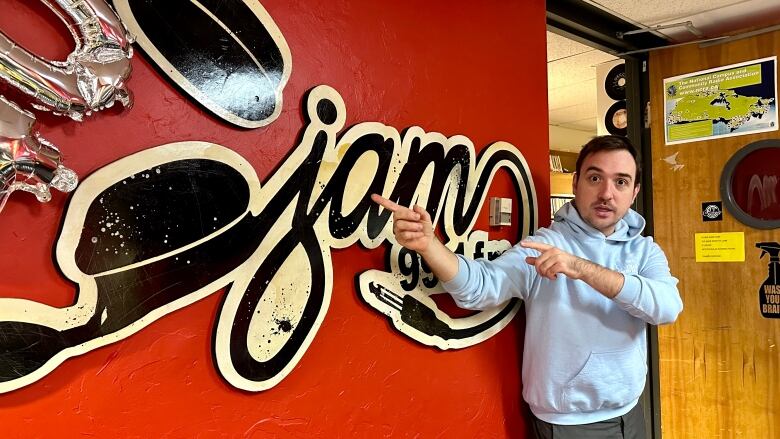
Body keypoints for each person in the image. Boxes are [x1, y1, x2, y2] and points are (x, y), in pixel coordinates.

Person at [371, 135, 682, 439]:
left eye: (621, 182)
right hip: (567, 424)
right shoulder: (546, 246)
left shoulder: (644, 250)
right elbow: (481, 287)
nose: (607, 193)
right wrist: (429, 245)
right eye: (595, 178)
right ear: (576, 184)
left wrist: (580, 268)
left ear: (635, 191)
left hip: (631, 411)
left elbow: (667, 308)